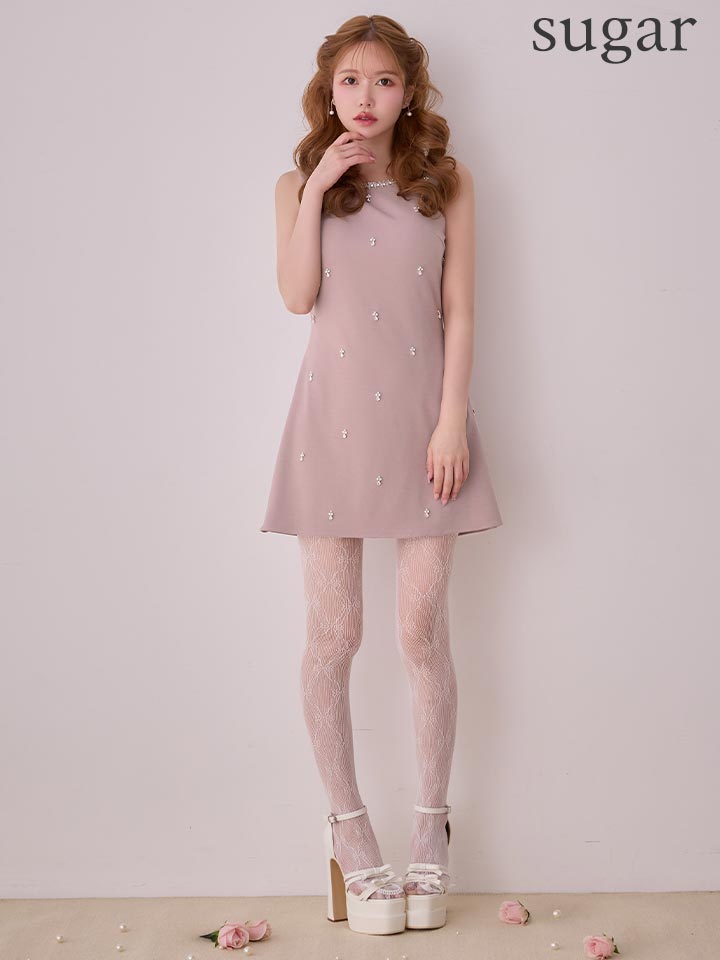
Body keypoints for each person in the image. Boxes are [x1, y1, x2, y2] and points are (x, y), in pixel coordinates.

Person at [260, 14, 503, 936]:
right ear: (329, 92)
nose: (366, 98)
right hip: (329, 429)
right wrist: (321, 185)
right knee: (334, 635)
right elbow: (296, 296)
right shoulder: (297, 185)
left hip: (425, 431)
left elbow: (461, 311)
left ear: (410, 91)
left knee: (420, 632)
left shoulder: (450, 182)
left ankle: (431, 826)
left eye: (385, 81)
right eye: (350, 81)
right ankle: (350, 836)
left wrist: (451, 421)